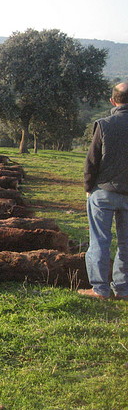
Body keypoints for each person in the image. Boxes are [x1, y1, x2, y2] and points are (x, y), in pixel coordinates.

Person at [80, 82, 128, 300]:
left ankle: (100, 289)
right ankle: (123, 289)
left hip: (104, 192)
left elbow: (92, 161)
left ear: (113, 101)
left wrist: (89, 188)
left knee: (100, 240)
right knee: (126, 243)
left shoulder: (104, 124)